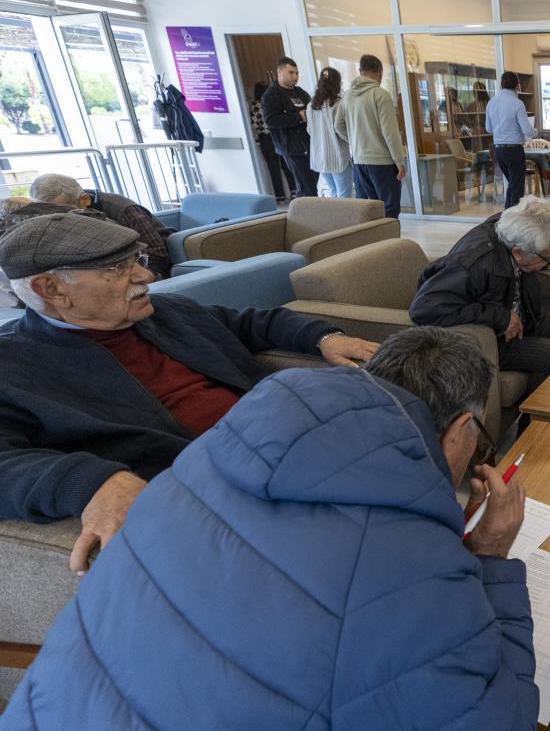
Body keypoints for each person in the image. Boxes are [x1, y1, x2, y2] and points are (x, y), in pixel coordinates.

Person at [0, 327, 539, 731]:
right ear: (460, 431)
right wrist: (490, 557)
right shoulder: (409, 566)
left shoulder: (189, 465)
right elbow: (501, 721)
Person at [0, 213, 379, 573]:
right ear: (50, 289)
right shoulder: (14, 366)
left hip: (291, 441)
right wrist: (89, 481)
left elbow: (254, 321)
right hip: (222, 490)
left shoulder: (166, 312)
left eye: (137, 259)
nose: (145, 275)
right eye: (117, 269)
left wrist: (322, 337)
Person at [409, 196, 550, 396]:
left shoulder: (509, 227)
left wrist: (543, 260)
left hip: (520, 314)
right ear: (519, 253)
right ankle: (532, 423)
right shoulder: (473, 264)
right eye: (549, 255)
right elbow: (424, 307)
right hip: (489, 336)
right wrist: (500, 317)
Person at [30, 173, 173, 280]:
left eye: (63, 212)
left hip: (152, 267)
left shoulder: (123, 209)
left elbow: (158, 255)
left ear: (84, 200)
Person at [335, 54, 407, 219]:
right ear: (380, 73)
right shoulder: (380, 95)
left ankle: (374, 243)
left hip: (359, 162)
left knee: (370, 209)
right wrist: (399, 161)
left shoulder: (347, 96)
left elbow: (338, 126)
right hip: (382, 162)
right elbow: (390, 132)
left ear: (360, 71)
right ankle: (390, 243)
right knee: (390, 209)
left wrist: (355, 140)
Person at [261, 56, 320, 199]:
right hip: (291, 149)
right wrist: (298, 117)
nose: (295, 76)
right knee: (306, 188)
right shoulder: (271, 95)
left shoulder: (300, 92)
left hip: (309, 145)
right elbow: (271, 121)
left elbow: (312, 111)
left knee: (315, 185)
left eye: (297, 73)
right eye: (291, 73)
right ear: (280, 73)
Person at [486, 71, 539, 209]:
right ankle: (513, 221)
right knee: (517, 188)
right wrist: (536, 132)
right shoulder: (517, 103)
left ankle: (506, 216)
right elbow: (527, 130)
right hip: (514, 151)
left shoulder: (491, 103)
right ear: (517, 85)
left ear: (501, 85)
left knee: (513, 184)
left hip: (498, 151)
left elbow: (488, 129)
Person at [307, 66, 354, 198]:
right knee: (345, 195)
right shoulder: (338, 104)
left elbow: (310, 130)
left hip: (320, 157)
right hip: (338, 155)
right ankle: (344, 219)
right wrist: (352, 140)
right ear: (337, 84)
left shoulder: (311, 105)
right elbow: (341, 129)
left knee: (333, 193)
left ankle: (334, 218)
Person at [250, 81, 293, 201]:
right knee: (285, 163)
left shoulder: (254, 105)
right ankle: (294, 189)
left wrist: (258, 141)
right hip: (276, 135)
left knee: (273, 168)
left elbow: (254, 125)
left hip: (265, 138)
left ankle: (279, 195)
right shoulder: (270, 104)